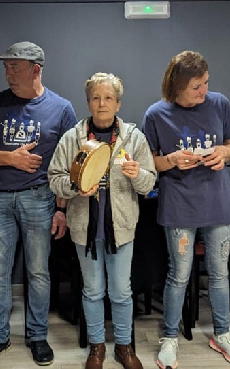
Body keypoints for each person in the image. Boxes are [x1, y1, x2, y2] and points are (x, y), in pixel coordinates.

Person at [0, 41, 77, 367]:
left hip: (40, 198)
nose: (8, 73)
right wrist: (10, 158)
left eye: (15, 67)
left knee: (39, 273)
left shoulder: (61, 108)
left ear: (36, 70)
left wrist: (62, 209)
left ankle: (38, 336)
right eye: (7, 66)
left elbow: (70, 164)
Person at [142, 51, 230, 368]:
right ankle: (169, 338)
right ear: (177, 86)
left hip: (217, 202)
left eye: (205, 84)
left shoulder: (219, 103)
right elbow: (149, 162)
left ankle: (222, 334)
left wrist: (223, 154)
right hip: (179, 205)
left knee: (218, 274)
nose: (203, 92)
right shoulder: (156, 114)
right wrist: (172, 160)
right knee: (179, 275)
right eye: (196, 87)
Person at [48, 72, 156, 369]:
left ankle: (124, 346)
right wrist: (75, 187)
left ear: (118, 103)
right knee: (92, 291)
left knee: (121, 291)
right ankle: (97, 347)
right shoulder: (73, 138)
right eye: (96, 97)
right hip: (86, 227)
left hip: (120, 229)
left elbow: (149, 183)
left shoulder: (134, 138)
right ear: (88, 102)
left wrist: (138, 175)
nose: (102, 103)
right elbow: (54, 179)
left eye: (108, 98)